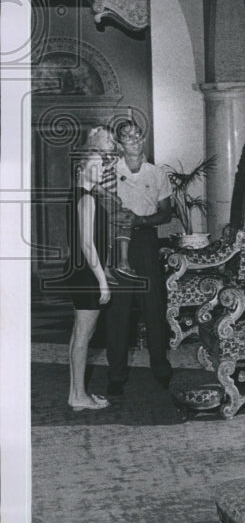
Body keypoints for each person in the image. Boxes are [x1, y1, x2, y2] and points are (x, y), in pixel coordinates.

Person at [106, 121, 173, 396]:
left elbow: (166, 213)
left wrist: (142, 219)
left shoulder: (157, 173)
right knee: (118, 311)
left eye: (137, 134)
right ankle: (116, 375)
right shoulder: (110, 172)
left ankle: (161, 369)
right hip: (118, 242)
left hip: (146, 241)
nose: (134, 139)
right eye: (127, 136)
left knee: (153, 307)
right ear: (119, 144)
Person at [67, 142, 112, 411]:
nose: (100, 169)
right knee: (83, 337)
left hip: (78, 273)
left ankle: (75, 394)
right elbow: (87, 244)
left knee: (77, 337)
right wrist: (102, 280)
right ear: (81, 169)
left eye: (101, 164)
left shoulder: (75, 194)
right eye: (94, 165)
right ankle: (80, 395)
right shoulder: (87, 198)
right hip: (86, 275)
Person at [85, 125, 138, 283]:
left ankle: (123, 261)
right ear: (95, 142)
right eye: (107, 140)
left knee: (125, 219)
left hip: (111, 199)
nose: (112, 144)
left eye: (113, 141)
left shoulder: (108, 157)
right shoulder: (94, 158)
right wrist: (110, 196)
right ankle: (106, 266)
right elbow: (93, 184)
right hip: (103, 200)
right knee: (110, 229)